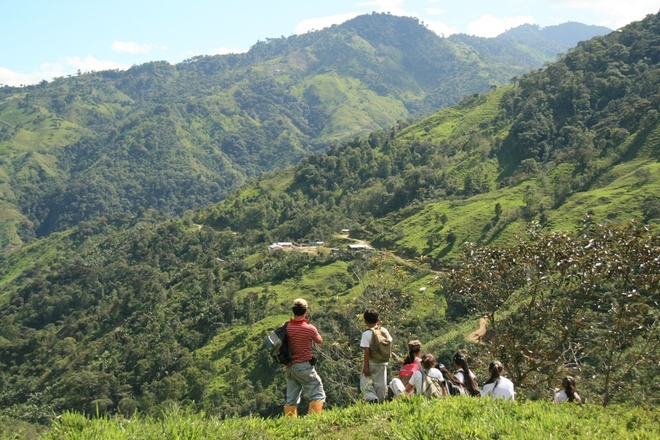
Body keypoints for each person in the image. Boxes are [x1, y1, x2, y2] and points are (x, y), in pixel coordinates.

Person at [283, 298, 326, 417]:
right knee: (317, 393)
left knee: (291, 398)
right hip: (304, 366)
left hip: (290, 366)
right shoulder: (309, 328)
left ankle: (290, 424)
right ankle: (314, 419)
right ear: (306, 311)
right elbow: (319, 341)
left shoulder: (286, 327)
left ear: (293, 311)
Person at [360, 308, 393, 403]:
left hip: (371, 363)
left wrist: (366, 367)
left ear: (365, 321)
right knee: (381, 385)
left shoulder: (367, 334)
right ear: (378, 320)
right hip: (383, 363)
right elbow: (389, 343)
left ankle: (371, 399)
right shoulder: (384, 331)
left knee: (365, 384)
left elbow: (367, 351)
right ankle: (381, 401)